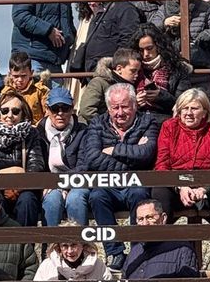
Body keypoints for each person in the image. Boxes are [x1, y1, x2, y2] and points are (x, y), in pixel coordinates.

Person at [67, 82, 158, 269]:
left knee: (139, 195)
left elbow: (146, 154)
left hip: (136, 184)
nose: (120, 112)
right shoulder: (97, 123)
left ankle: (137, 250)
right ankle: (114, 252)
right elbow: (92, 158)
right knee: (97, 195)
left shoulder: (148, 122)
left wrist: (113, 149)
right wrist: (131, 153)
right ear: (108, 108)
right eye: (115, 107)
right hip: (109, 185)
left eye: (125, 106)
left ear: (134, 105)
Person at [153, 88, 210, 219]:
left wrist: (204, 189)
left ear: (204, 113)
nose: (189, 113)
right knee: (159, 193)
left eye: (194, 108)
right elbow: (162, 164)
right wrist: (180, 187)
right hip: (177, 185)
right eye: (185, 108)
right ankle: (164, 238)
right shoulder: (169, 127)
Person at [0, 89, 46, 227]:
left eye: (15, 111)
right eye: (5, 110)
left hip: (23, 188)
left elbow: (36, 166)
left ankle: (25, 245)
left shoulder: (31, 133)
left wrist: (18, 186)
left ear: (22, 113)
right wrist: (9, 176)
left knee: (28, 200)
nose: (9, 115)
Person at [73, 0, 143, 75]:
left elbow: (128, 40)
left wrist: (114, 65)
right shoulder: (102, 10)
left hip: (109, 73)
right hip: (94, 71)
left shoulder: (125, 9)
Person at [36, 85, 88, 227]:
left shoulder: (83, 131)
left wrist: (63, 183)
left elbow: (84, 164)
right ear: (47, 109)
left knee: (75, 199)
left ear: (72, 109)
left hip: (77, 181)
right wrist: (51, 184)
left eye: (65, 108)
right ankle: (51, 246)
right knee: (52, 200)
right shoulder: (37, 133)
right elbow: (36, 165)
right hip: (49, 183)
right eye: (55, 109)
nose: (60, 113)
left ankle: (80, 245)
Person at [130, 24, 193, 118]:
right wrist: (135, 103)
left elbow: (184, 103)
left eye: (149, 48)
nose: (145, 54)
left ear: (159, 46)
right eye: (141, 50)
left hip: (167, 119)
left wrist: (161, 96)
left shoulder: (177, 68)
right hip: (138, 119)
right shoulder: (132, 69)